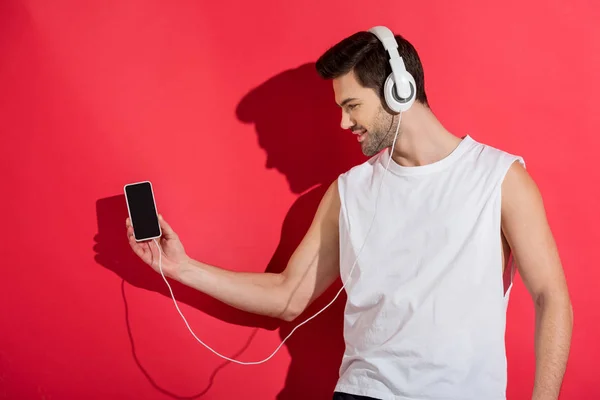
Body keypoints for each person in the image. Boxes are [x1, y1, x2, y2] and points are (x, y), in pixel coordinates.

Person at [126, 26, 573, 400]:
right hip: (362, 393)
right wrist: (180, 268)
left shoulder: (499, 177)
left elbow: (551, 297)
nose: (344, 123)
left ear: (399, 91)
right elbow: (287, 296)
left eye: (351, 105)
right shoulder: (350, 191)